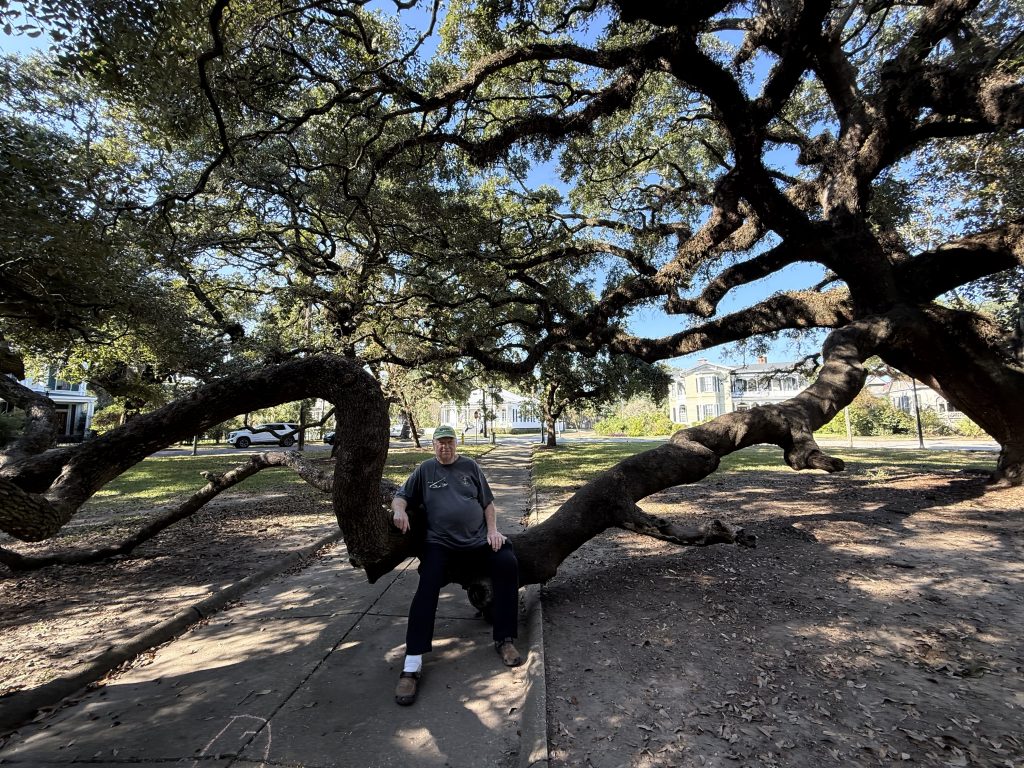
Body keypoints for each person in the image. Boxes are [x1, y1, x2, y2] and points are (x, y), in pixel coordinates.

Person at [390, 424, 523, 706]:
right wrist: (399, 511)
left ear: (456, 444)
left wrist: (493, 531)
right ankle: (412, 664)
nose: (445, 447)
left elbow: (487, 504)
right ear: (433, 445)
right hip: (441, 544)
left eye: (449, 442)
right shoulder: (425, 470)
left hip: (478, 540)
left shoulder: (470, 467)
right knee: (427, 585)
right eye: (440, 442)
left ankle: (505, 639)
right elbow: (401, 496)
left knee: (507, 562)